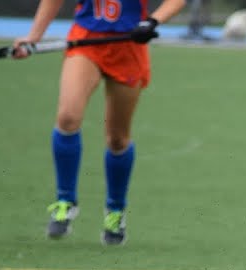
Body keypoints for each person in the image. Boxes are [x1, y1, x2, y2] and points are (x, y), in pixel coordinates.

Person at [13, 0, 186, 246]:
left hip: (128, 45)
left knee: (117, 139)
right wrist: (34, 36)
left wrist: (152, 22)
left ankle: (115, 211)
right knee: (68, 117)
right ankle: (65, 202)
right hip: (86, 41)